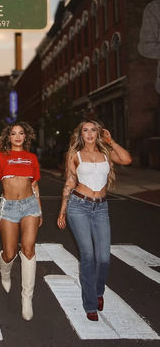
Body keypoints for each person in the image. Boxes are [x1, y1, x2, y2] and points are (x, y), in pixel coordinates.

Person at [57, 119, 131, 321]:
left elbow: (127, 159)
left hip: (100, 208)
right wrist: (63, 210)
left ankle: (98, 291)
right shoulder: (75, 155)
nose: (89, 133)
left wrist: (111, 141)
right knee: (88, 256)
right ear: (80, 134)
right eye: (85, 130)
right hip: (78, 207)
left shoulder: (106, 154)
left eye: (93, 130)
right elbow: (70, 182)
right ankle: (90, 304)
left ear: (98, 133)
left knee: (104, 257)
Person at [0, 122, 42, 321]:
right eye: (13, 133)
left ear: (25, 137)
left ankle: (27, 298)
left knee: (28, 249)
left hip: (30, 206)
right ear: (8, 137)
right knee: (10, 253)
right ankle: (5, 270)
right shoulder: (1, 157)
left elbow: (34, 185)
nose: (17, 136)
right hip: (8, 207)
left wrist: (40, 209)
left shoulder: (32, 158)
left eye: (21, 133)